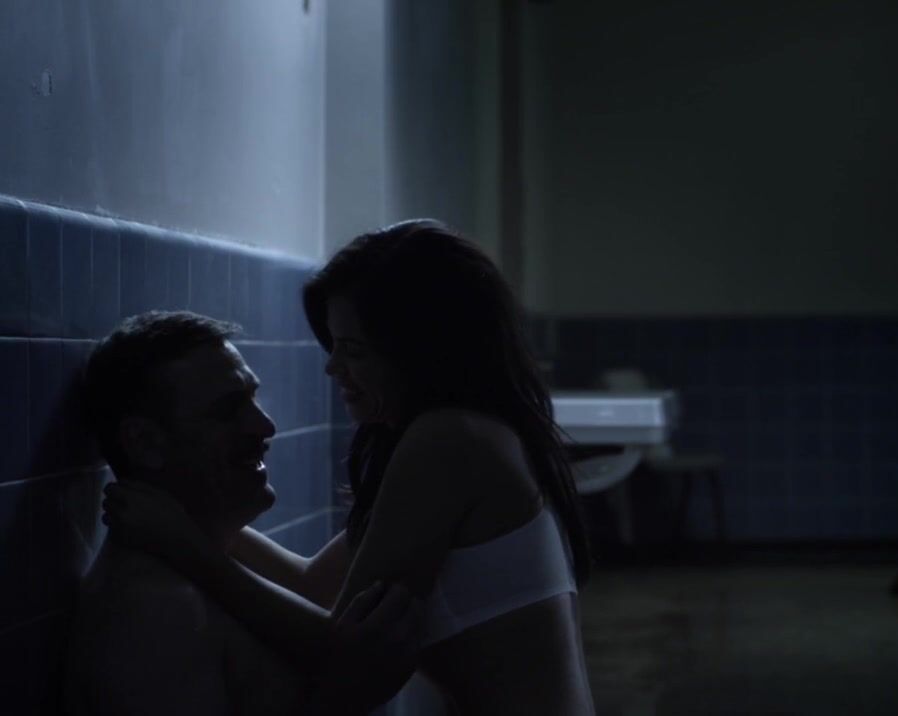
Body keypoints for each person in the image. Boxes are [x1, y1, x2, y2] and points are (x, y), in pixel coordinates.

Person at [105, 220, 597, 714]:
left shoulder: (451, 440)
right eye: (334, 345)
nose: (332, 366)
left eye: (353, 350)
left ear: (420, 351)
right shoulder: (474, 433)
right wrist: (186, 516)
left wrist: (185, 546)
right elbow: (314, 585)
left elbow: (339, 650)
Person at [67, 311, 424, 716]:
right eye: (227, 410)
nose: (266, 427)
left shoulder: (201, 569)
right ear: (146, 443)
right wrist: (349, 695)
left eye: (252, 399)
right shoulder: (154, 611)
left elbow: (316, 589)